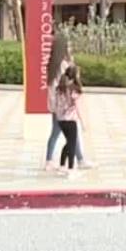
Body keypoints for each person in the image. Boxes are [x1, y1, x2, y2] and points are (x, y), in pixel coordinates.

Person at [44, 34, 89, 170]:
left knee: (60, 134)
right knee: (68, 134)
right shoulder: (63, 65)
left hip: (56, 106)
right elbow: (70, 81)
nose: (70, 48)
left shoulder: (52, 65)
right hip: (65, 106)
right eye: (68, 46)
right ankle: (75, 160)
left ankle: (76, 159)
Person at [53, 65, 84, 177]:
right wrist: (83, 122)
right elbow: (77, 106)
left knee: (69, 142)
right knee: (72, 144)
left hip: (60, 119)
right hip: (70, 119)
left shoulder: (59, 88)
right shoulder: (73, 89)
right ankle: (71, 169)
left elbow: (55, 104)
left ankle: (62, 165)